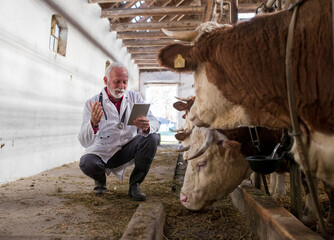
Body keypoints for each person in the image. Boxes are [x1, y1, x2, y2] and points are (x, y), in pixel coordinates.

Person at [78, 62, 160, 201]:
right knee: (87, 162)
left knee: (152, 137)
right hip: (104, 152)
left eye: (124, 82)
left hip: (128, 149)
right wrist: (93, 123)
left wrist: (147, 126)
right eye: (116, 82)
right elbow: (84, 141)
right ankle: (100, 181)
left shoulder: (135, 98)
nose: (121, 87)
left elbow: (155, 122)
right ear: (106, 80)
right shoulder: (92, 103)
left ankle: (135, 185)